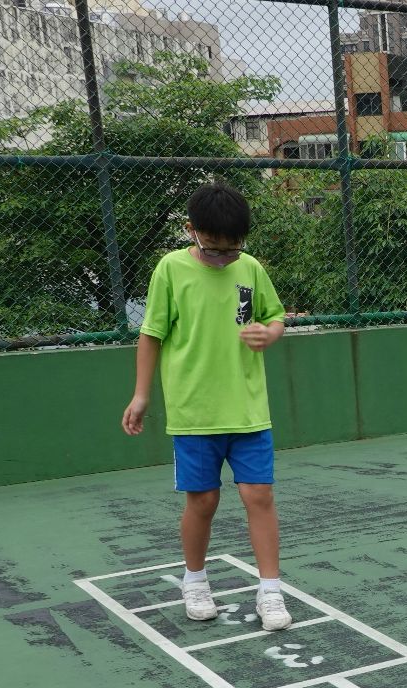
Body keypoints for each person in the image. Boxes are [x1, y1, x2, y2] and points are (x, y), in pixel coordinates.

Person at [121, 183, 292, 631]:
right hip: (194, 412)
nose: (224, 258)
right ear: (191, 231)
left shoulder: (251, 268)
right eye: (214, 249)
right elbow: (151, 335)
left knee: (260, 495)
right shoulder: (171, 269)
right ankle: (194, 580)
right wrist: (141, 396)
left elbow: (275, 316)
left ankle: (270, 591)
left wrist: (270, 334)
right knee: (204, 500)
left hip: (249, 409)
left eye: (232, 251)